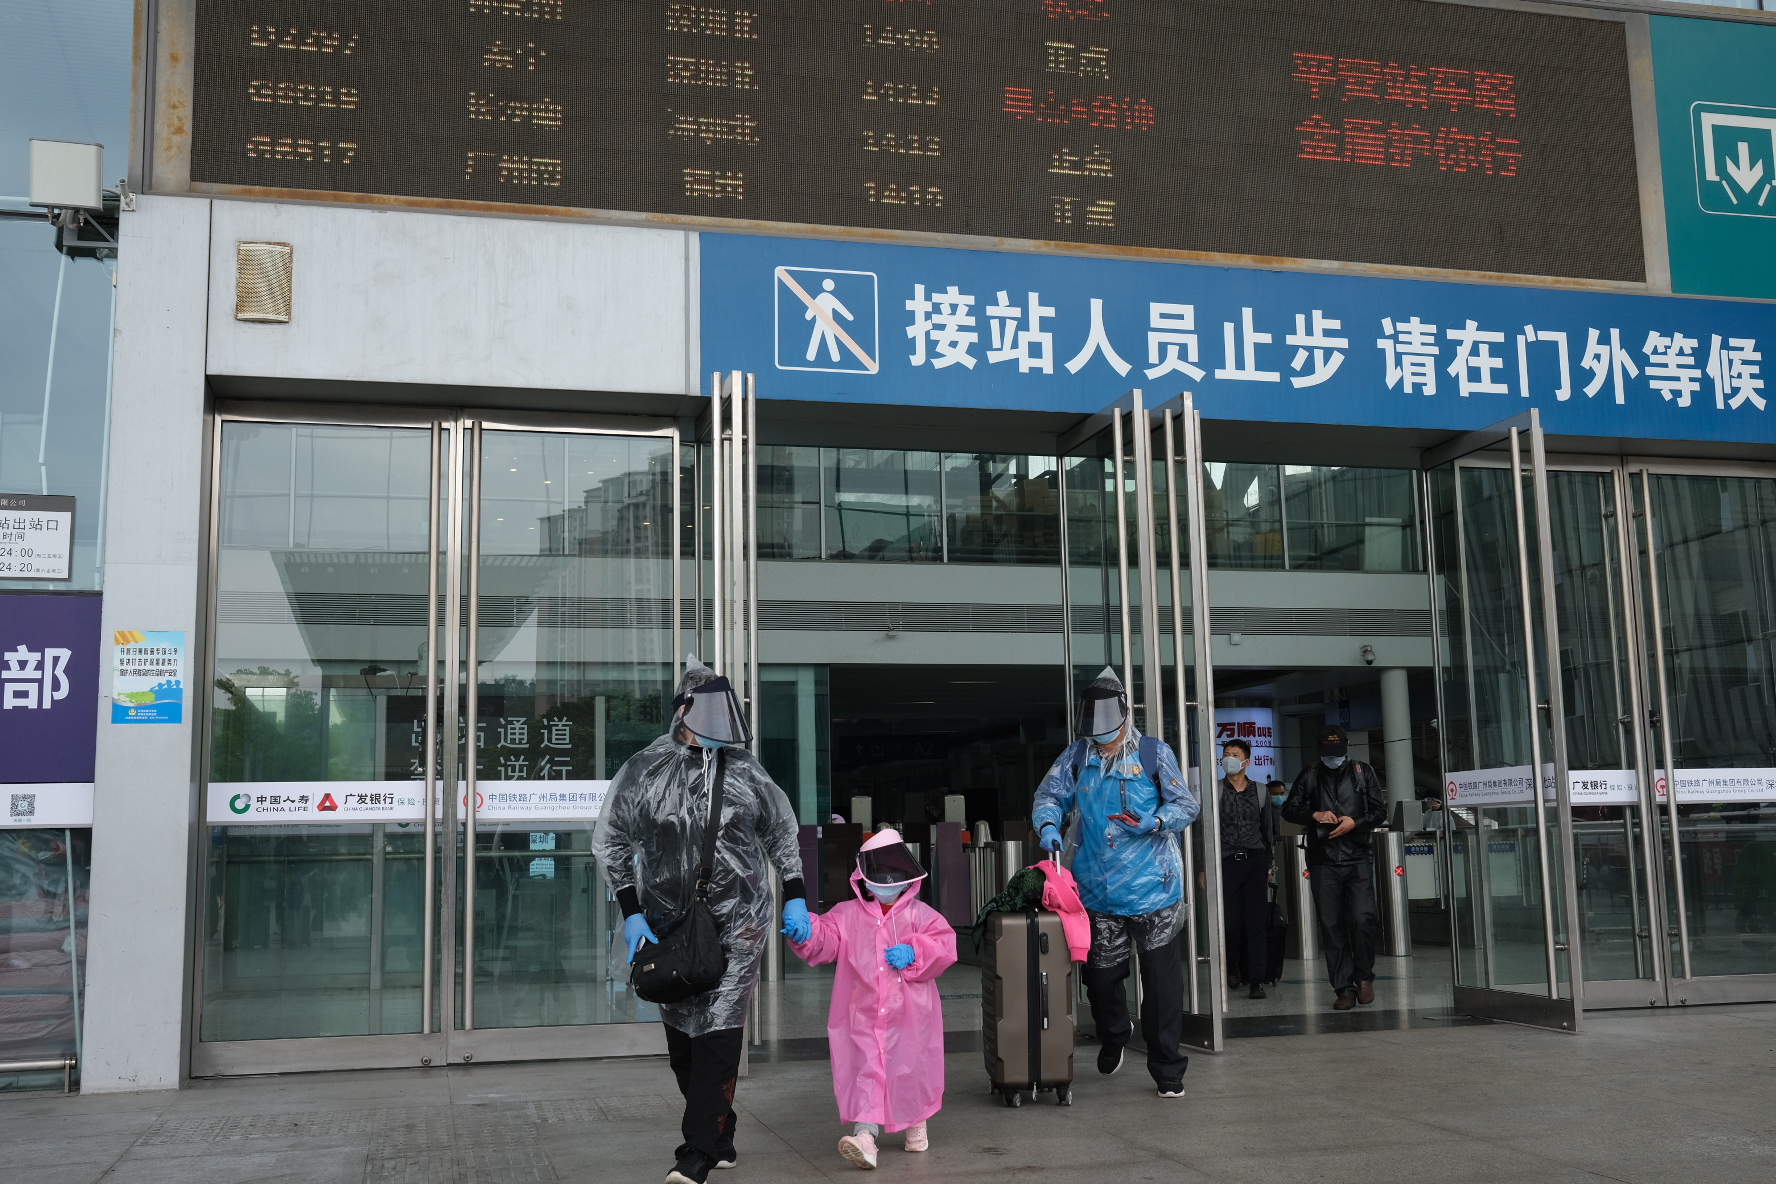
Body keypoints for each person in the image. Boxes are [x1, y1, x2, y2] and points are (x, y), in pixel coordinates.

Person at [597, 657, 811, 1184]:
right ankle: (720, 1132)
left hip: (739, 925)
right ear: (684, 713)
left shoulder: (745, 770)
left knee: (718, 1032)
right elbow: (611, 841)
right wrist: (631, 911)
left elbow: (781, 833)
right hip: (668, 926)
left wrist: (796, 895)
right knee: (683, 1045)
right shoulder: (646, 770)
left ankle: (696, 1153)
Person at [1032, 667, 1200, 1099]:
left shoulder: (1153, 753)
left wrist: (1156, 820)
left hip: (1154, 889)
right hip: (1098, 889)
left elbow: (1186, 804)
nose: (1102, 740)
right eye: (1095, 734)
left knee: (1161, 986)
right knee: (1102, 979)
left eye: (1108, 732)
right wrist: (1048, 824)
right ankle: (1114, 1032)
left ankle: (1167, 1069)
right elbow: (1049, 795)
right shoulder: (1077, 756)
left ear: (1125, 716)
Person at [787, 828, 957, 1171]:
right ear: (864, 877)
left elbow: (945, 945)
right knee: (867, 1068)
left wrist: (915, 952)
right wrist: (805, 933)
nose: (888, 881)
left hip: (911, 1015)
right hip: (862, 1014)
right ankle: (865, 1137)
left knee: (911, 1068)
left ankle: (916, 1124)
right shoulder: (848, 914)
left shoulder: (920, 915)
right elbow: (826, 939)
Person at [1281, 724, 1388, 1012]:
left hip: (1357, 857)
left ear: (1346, 746)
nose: (1333, 756)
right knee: (1332, 926)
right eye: (1328, 751)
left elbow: (1379, 811)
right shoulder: (1310, 774)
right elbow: (1288, 809)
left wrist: (1356, 822)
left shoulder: (1363, 772)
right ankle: (1344, 988)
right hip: (1323, 860)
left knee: (1363, 919)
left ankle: (1364, 976)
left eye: (1337, 750)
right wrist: (1314, 814)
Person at [1217, 738, 1278, 999]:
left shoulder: (1261, 791)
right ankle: (1233, 966)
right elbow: (1204, 830)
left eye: (1235, 755)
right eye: (1226, 754)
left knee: (1257, 923)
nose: (1229, 759)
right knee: (1230, 923)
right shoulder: (1215, 791)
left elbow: (1268, 831)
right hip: (1226, 862)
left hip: (1255, 861)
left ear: (1246, 762)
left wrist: (1270, 865)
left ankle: (1257, 980)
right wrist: (1203, 867)